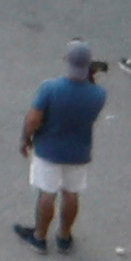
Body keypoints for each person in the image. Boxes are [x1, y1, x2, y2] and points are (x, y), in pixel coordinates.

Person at [19, 43, 107, 250]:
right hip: (79, 151)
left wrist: (25, 139)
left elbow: (33, 119)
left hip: (49, 149)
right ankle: (64, 236)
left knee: (47, 194)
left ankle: (40, 236)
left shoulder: (50, 88)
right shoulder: (99, 94)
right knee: (71, 193)